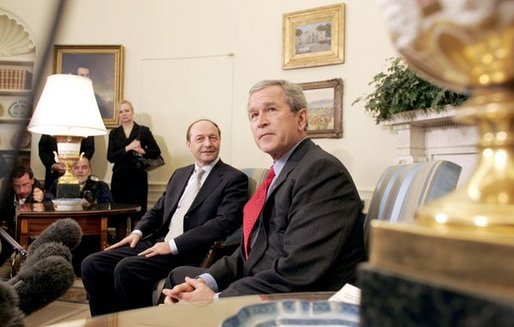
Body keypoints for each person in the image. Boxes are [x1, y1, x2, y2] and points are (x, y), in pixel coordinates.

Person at [162, 80, 366, 304]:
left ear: (301, 118)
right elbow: (250, 251)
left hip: (307, 301)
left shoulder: (320, 171)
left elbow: (299, 271)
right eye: (254, 115)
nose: (261, 122)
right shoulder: (280, 172)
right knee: (181, 281)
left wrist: (217, 299)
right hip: (268, 282)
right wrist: (206, 281)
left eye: (271, 109)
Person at [82, 119, 248, 315]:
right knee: (92, 263)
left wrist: (172, 245)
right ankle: (106, 322)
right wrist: (138, 231)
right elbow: (157, 210)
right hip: (157, 241)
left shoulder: (233, 178)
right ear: (189, 144)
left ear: (220, 140)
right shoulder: (180, 174)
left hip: (188, 250)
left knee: (127, 268)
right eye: (200, 138)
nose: (208, 144)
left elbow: (223, 223)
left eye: (213, 138)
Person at [107, 100, 160, 236]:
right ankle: (120, 245)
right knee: (120, 215)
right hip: (119, 179)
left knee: (138, 215)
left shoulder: (143, 130)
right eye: (121, 112)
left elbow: (156, 152)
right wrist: (128, 148)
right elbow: (110, 157)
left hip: (138, 178)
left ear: (132, 112)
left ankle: (135, 246)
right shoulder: (114, 133)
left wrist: (143, 150)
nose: (124, 114)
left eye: (127, 110)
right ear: (118, 115)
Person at [0, 166, 44, 277]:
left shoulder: (41, 195)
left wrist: (42, 202)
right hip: (7, 248)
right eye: (17, 186)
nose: (22, 190)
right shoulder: (6, 196)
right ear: (11, 185)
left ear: (32, 181)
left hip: (31, 251)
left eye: (25, 185)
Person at [45, 156, 113, 205]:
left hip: (91, 222)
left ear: (90, 171)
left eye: (84, 167)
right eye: (76, 168)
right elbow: (47, 202)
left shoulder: (101, 186)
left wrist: (90, 205)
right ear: (70, 170)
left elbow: (108, 208)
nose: (80, 171)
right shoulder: (59, 183)